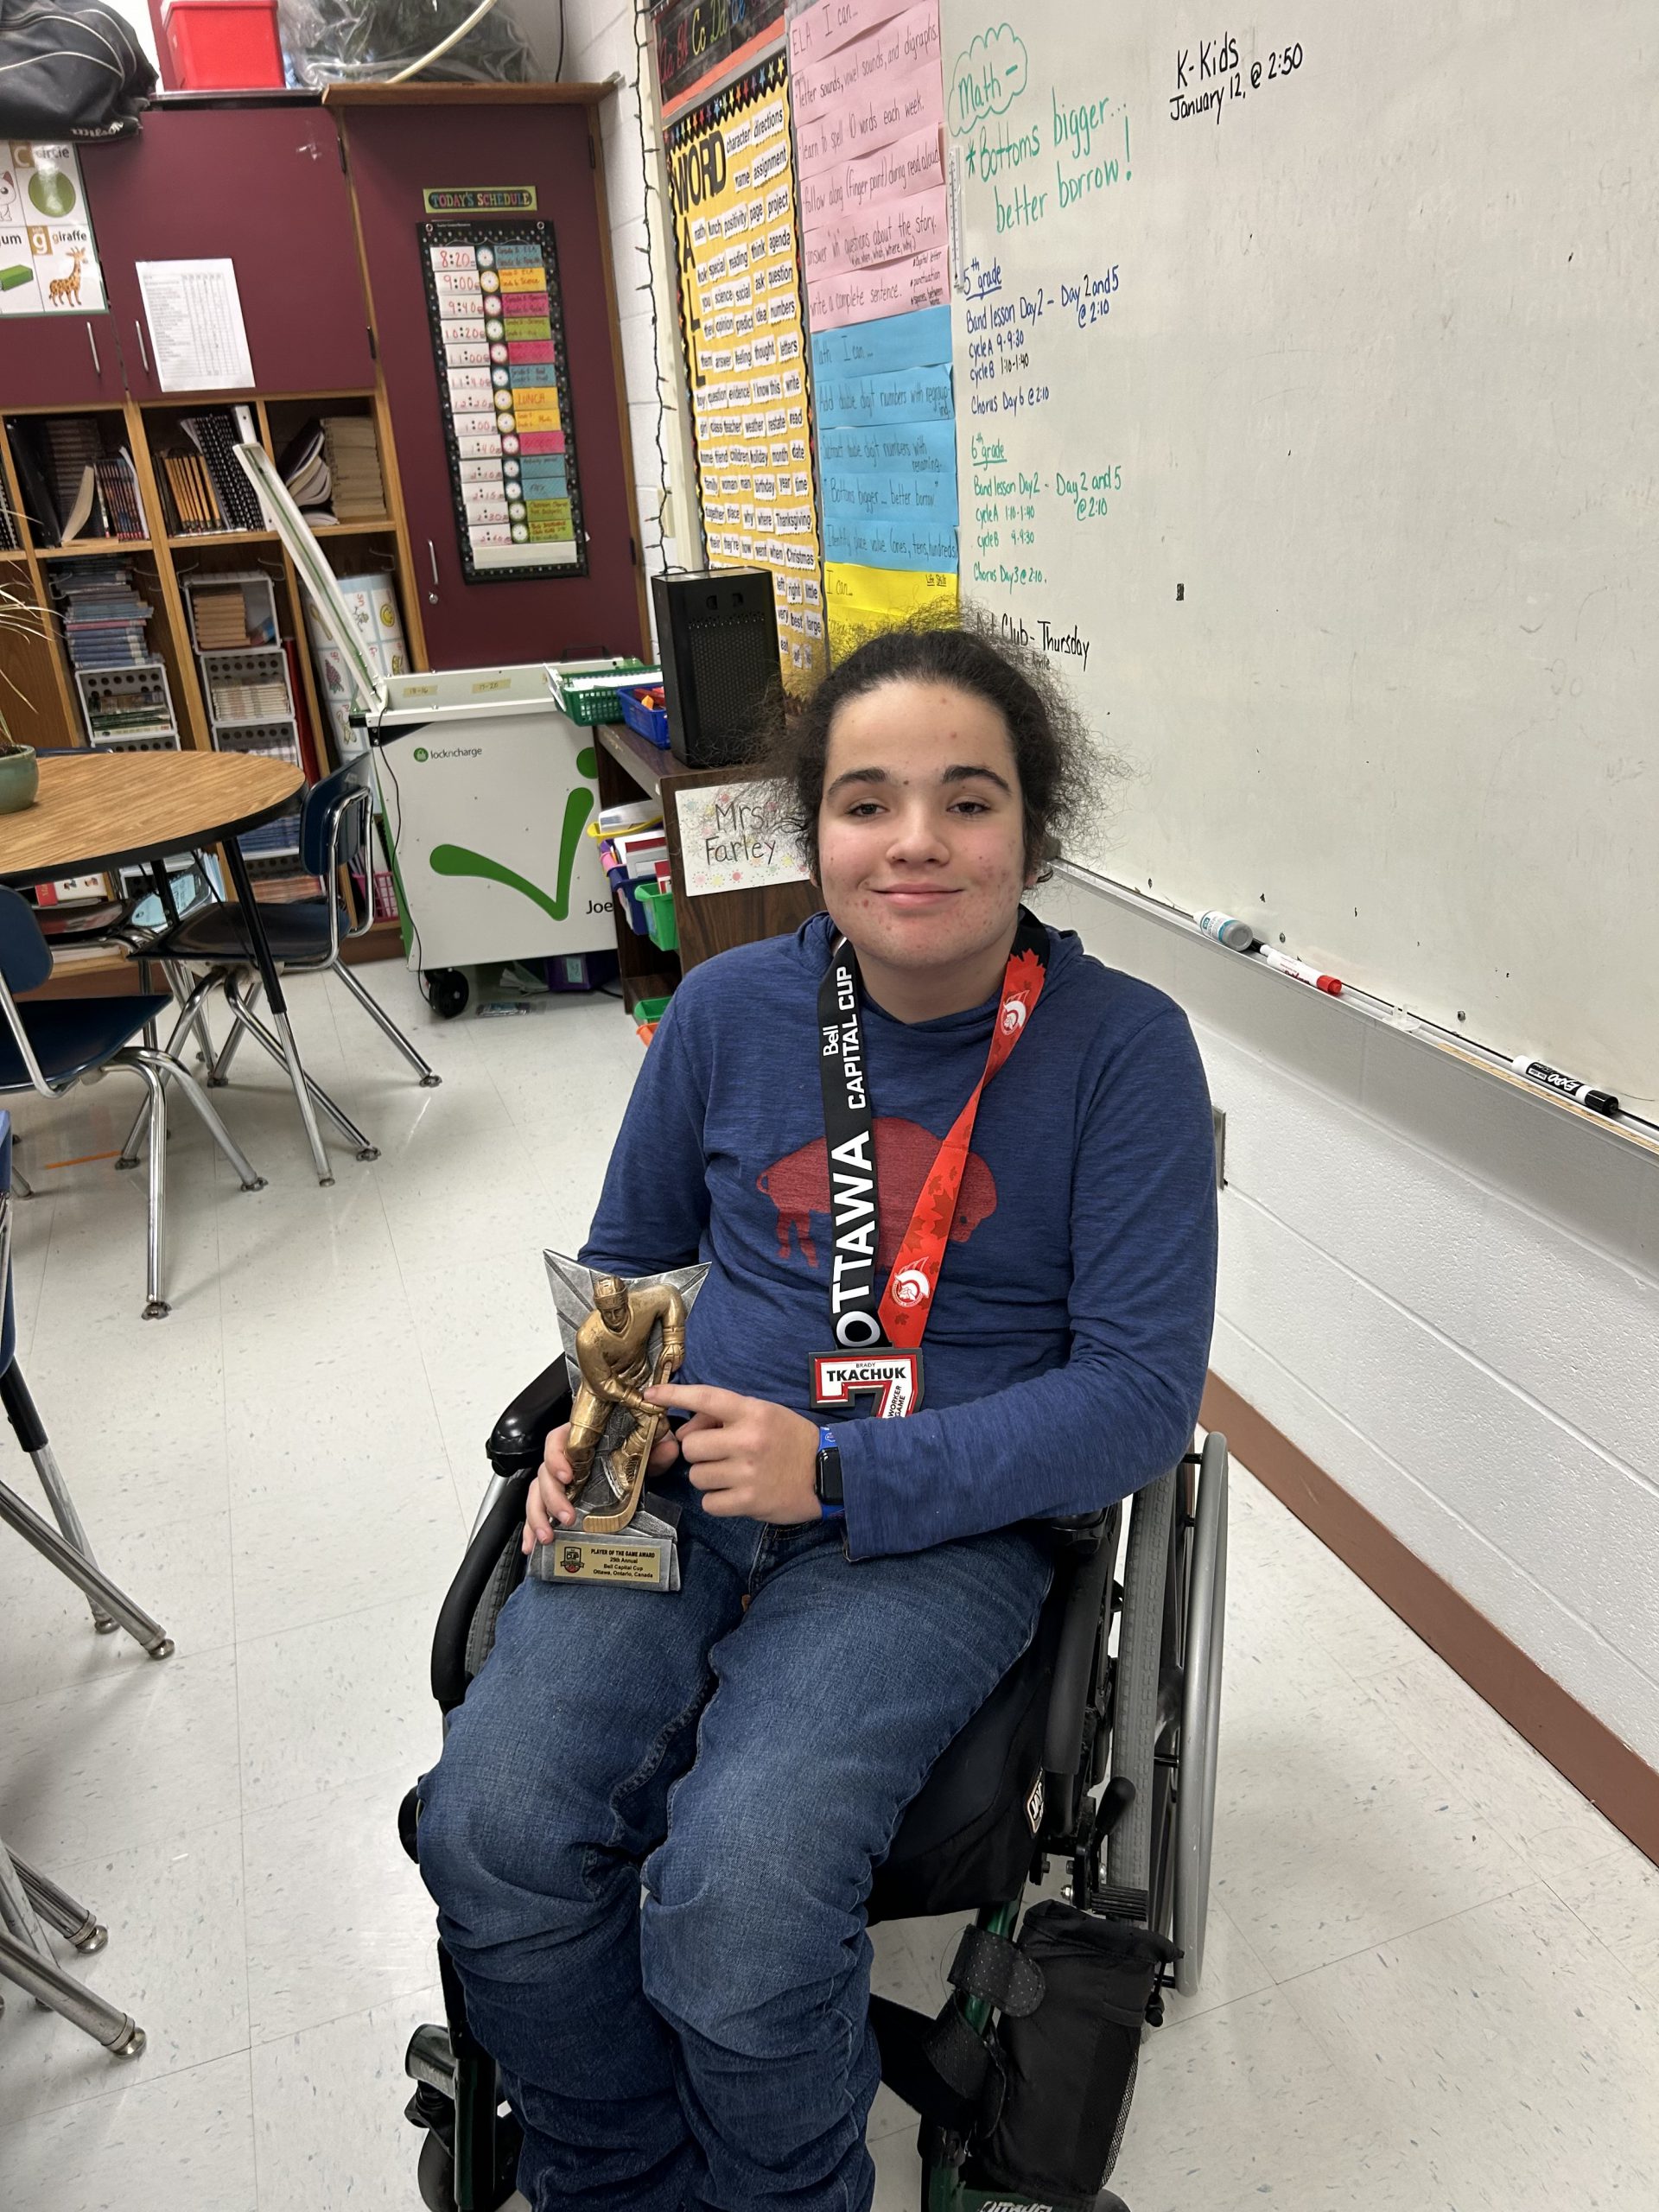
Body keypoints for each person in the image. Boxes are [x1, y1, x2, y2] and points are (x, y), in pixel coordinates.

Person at [415, 622, 1218, 2212]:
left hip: (936, 1530)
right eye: (868, 801)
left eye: (967, 800)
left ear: (1033, 832)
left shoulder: (1123, 1053)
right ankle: (617, 2170)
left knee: (738, 1895)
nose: (915, 840)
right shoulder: (724, 1013)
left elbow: (1139, 1401)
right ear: (815, 832)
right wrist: (603, 1417)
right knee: (492, 1830)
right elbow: (639, 1262)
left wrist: (837, 1468)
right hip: (677, 1477)